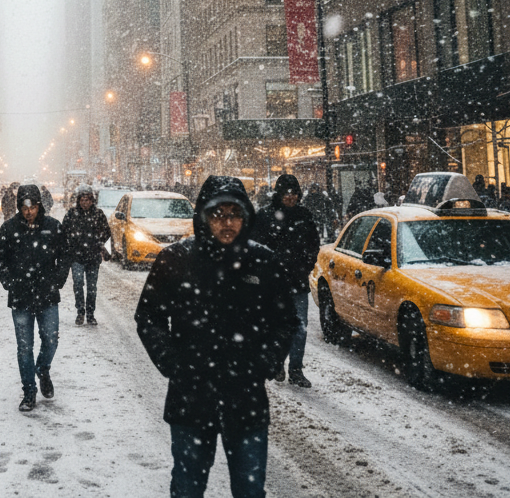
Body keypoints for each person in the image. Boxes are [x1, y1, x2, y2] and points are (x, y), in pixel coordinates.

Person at [136, 175, 296, 498]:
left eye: (234, 214)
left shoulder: (263, 262)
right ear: (203, 217)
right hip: (191, 400)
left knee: (250, 491)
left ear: (246, 217)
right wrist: (173, 363)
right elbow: (148, 316)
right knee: (187, 488)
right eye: (218, 214)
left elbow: (286, 321)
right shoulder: (176, 259)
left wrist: (265, 362)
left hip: (246, 400)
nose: (227, 223)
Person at [0, 183, 69, 411]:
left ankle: (43, 369)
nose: (28, 211)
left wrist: (57, 281)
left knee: (51, 340)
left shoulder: (53, 227)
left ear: (39, 206)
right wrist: (10, 283)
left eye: (32, 206)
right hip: (21, 297)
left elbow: (65, 256)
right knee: (24, 347)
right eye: (24, 207)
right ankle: (29, 391)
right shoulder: (9, 229)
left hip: (47, 295)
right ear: (19, 206)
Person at [251, 174, 321, 389]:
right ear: (279, 194)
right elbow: (255, 247)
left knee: (299, 327)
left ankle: (296, 369)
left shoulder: (304, 216)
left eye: (294, 193)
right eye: (287, 193)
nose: (291, 197)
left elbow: (313, 245)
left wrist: (305, 266)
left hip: (297, 282)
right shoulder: (264, 216)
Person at [60, 183, 111, 326]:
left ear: (92, 200)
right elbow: (64, 233)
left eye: (87, 199)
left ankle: (90, 314)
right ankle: (80, 312)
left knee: (92, 287)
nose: (85, 202)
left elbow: (107, 234)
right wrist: (67, 250)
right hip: (76, 257)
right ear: (78, 200)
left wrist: (105, 250)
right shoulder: (71, 214)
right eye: (82, 200)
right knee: (78, 284)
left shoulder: (99, 215)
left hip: (93, 257)